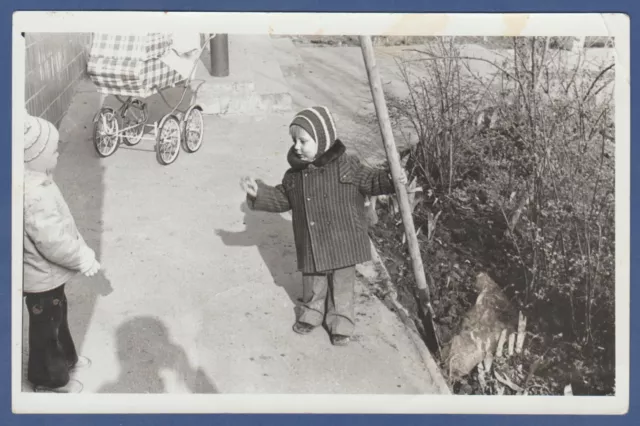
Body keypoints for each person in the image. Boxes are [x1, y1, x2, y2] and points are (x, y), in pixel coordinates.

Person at [241, 106, 406, 346]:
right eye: (294, 140)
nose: (296, 146)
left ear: (324, 140)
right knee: (314, 281)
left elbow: (370, 181)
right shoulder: (295, 176)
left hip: (343, 238)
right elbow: (283, 199)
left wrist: (390, 179)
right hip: (312, 238)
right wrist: (259, 193)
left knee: (341, 284)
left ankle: (340, 320)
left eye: (303, 141)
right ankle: (312, 312)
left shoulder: (348, 167)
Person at [23, 113, 101, 393]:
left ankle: (66, 359)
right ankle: (48, 378)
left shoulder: (39, 183)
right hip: (41, 279)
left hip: (49, 278)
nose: (58, 155)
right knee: (46, 329)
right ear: (35, 157)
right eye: (53, 151)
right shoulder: (33, 196)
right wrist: (81, 256)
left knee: (57, 317)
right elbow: (53, 241)